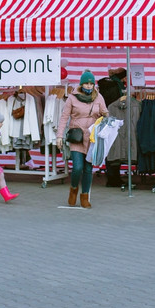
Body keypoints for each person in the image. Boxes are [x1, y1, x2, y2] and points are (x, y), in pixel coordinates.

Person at [57, 70, 108, 208]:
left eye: (91, 84)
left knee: (88, 168)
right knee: (78, 167)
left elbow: (105, 112)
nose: (89, 86)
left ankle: (85, 196)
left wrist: (106, 116)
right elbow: (64, 117)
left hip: (91, 138)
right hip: (77, 136)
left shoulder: (98, 97)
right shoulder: (72, 97)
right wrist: (59, 136)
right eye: (86, 83)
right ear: (81, 84)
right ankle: (73, 189)